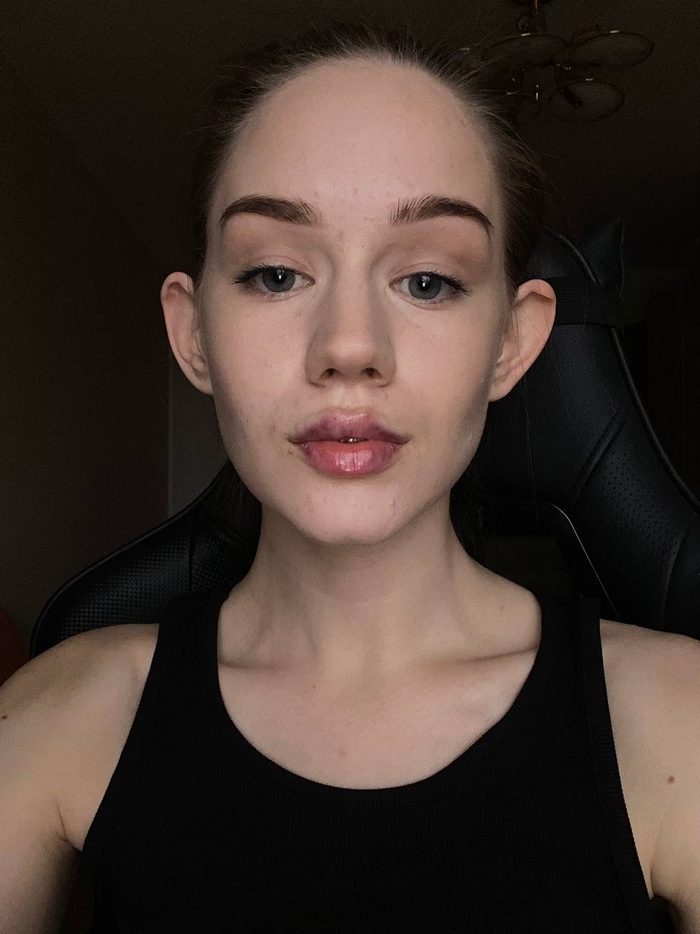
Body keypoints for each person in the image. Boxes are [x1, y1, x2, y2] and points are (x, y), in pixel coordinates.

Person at [1, 16, 698, 934]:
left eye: (429, 281)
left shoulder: (678, 718)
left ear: (512, 342)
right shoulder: (59, 715)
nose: (350, 347)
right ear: (193, 332)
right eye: (276, 274)